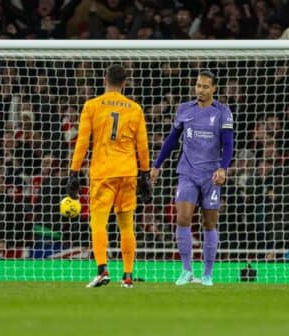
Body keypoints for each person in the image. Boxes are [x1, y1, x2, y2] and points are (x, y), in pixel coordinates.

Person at [67, 64, 151, 288]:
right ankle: (128, 276)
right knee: (126, 226)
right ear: (125, 83)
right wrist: (145, 174)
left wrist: (74, 171)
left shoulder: (92, 106)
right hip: (127, 171)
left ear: (105, 79)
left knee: (99, 223)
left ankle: (102, 270)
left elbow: (82, 141)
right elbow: (142, 146)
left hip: (103, 172)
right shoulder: (134, 109)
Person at [150, 71, 234, 286]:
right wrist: (157, 165)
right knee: (182, 218)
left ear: (214, 89)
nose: (201, 90)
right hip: (187, 172)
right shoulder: (184, 109)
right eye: (198, 85)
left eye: (206, 86)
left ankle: (207, 273)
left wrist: (223, 168)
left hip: (211, 176)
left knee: (209, 223)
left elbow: (228, 143)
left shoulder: (223, 112)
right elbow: (171, 139)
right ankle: (186, 269)